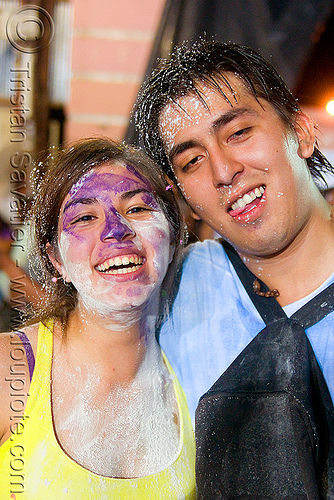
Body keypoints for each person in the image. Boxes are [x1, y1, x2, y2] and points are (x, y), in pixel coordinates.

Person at [133, 40, 334, 498]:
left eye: (239, 132)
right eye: (192, 160)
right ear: (184, 196)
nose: (224, 170)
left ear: (301, 132)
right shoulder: (167, 296)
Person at [0, 138, 196, 498]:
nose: (115, 231)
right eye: (85, 217)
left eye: (137, 209)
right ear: (57, 260)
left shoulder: (197, 378)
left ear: (171, 238)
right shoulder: (9, 369)